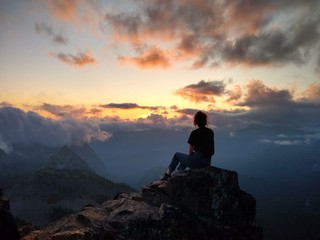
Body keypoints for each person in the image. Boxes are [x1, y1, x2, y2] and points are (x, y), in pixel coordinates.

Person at [161, 111, 215, 180]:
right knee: (186, 159)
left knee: (177, 155)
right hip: (207, 162)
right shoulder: (210, 132)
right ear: (205, 121)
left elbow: (190, 152)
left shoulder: (194, 133)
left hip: (197, 162)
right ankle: (180, 172)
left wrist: (195, 151)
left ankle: (168, 175)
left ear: (196, 121)